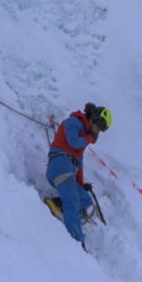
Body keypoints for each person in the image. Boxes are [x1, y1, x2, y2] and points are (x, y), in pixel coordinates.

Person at [45, 102, 112, 246]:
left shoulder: (84, 136)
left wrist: (81, 185)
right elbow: (73, 142)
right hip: (60, 164)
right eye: (98, 127)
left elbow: (79, 163)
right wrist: (89, 138)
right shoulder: (74, 122)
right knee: (73, 202)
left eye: (100, 130)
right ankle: (76, 244)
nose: (97, 131)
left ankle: (54, 204)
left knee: (85, 199)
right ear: (92, 119)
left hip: (68, 169)